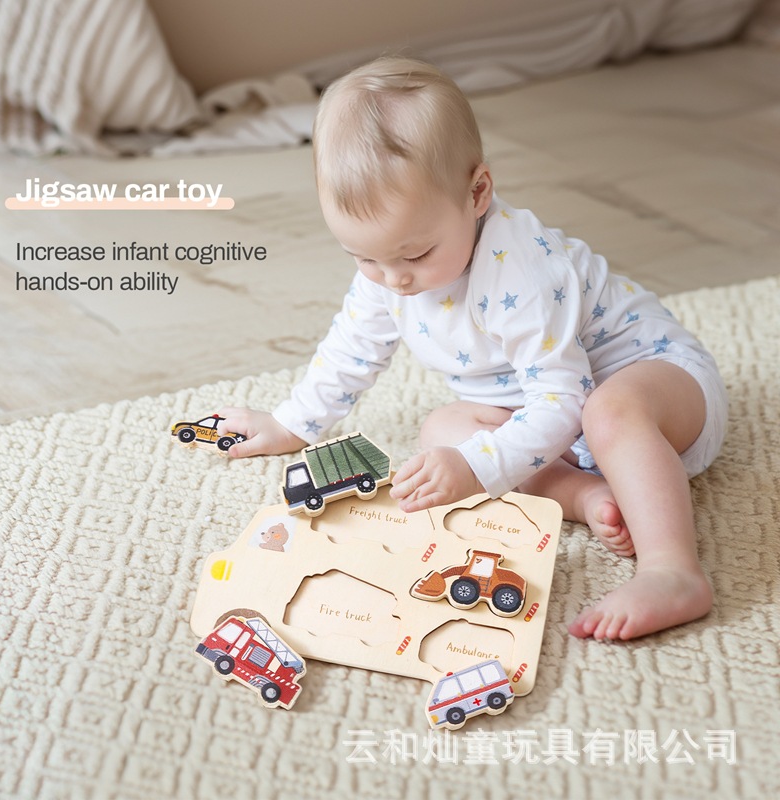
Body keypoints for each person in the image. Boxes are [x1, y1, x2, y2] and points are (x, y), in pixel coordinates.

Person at [218, 57, 728, 642]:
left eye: (415, 255)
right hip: (556, 416)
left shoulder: (523, 272)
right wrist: (291, 423)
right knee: (444, 432)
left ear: (478, 192)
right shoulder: (388, 269)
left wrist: (478, 467)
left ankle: (672, 571)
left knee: (603, 413)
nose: (393, 279)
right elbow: (351, 347)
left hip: (658, 389)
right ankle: (589, 495)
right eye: (363, 257)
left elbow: (565, 398)